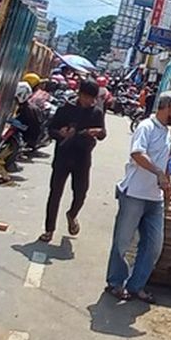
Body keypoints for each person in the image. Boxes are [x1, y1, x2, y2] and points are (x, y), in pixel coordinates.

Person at [105, 91, 171, 303]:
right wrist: (157, 172)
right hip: (134, 194)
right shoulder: (146, 127)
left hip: (154, 198)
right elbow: (137, 154)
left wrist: (166, 179)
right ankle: (115, 283)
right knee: (123, 242)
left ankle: (136, 285)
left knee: (153, 246)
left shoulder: (167, 131)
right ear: (166, 107)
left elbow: (164, 159)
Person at [39, 78, 106, 243]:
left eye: (93, 98)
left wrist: (98, 132)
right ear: (80, 94)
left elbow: (103, 134)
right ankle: (49, 229)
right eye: (88, 97)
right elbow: (50, 129)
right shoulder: (65, 109)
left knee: (81, 192)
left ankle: (72, 214)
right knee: (55, 193)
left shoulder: (96, 112)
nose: (91, 101)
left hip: (83, 157)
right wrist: (60, 133)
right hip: (63, 155)